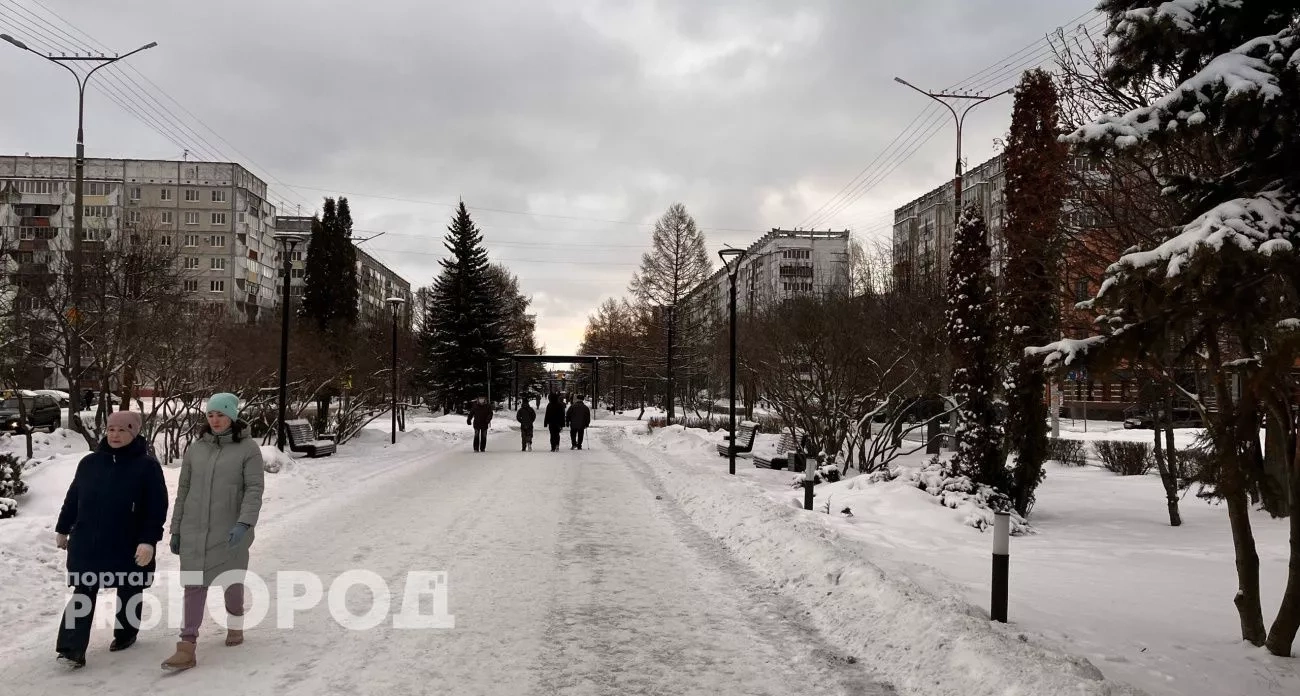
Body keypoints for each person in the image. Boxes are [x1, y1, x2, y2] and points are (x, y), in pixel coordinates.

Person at [53, 411, 167, 668]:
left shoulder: (147, 466)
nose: (115, 435)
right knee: (83, 590)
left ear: (134, 433)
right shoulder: (89, 463)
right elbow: (73, 498)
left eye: (123, 430)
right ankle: (71, 649)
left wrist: (148, 540)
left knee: (129, 586)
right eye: (111, 430)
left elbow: (156, 508)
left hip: (127, 541)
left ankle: (126, 633)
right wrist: (63, 528)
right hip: (88, 540)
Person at [162, 393, 264, 671]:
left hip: (230, 527)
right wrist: (176, 529)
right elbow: (183, 490)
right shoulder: (196, 449)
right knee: (193, 584)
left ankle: (235, 623)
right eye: (210, 415)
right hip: (194, 528)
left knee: (231, 580)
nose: (215, 420)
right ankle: (187, 645)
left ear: (232, 416)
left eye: (221, 414)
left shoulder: (248, 449)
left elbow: (254, 489)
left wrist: (244, 523)